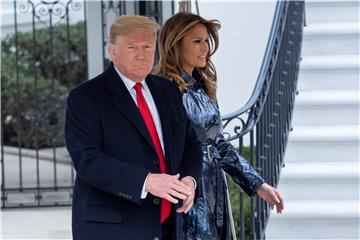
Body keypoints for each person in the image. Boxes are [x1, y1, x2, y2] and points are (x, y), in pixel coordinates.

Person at [65, 15, 202, 240]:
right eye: (132, 47)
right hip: (113, 228)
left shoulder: (167, 91)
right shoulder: (86, 97)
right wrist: (145, 181)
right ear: (113, 51)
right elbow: (87, 160)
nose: (141, 54)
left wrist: (190, 180)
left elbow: (190, 143)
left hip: (169, 225)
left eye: (147, 46)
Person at [155, 12, 284, 240]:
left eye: (206, 40)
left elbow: (219, 144)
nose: (205, 47)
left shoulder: (202, 88)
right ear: (175, 44)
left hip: (214, 189)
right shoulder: (161, 90)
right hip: (184, 191)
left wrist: (257, 184)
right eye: (197, 41)